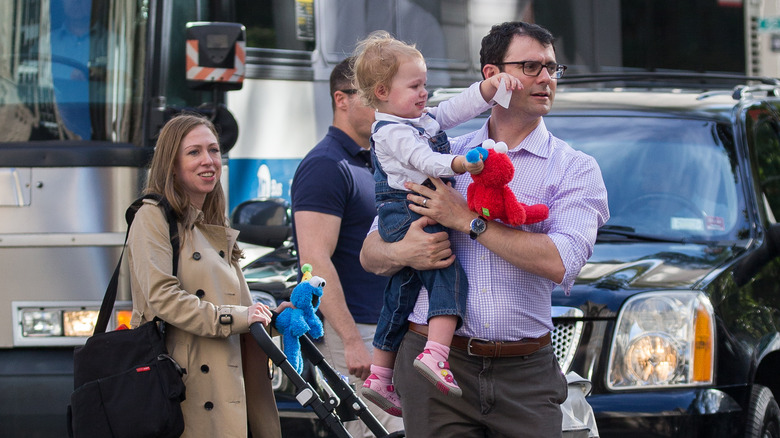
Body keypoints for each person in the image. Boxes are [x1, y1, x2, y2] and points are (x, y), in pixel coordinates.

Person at [360, 22, 610, 437]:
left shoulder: (575, 167)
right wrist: (405, 252)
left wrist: (467, 221)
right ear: (493, 77)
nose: (546, 78)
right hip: (432, 368)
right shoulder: (441, 152)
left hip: (526, 375)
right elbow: (371, 251)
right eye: (531, 66)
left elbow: (560, 261)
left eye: (552, 68)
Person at [351, 30, 521, 414]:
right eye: (414, 86)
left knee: (399, 295)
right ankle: (436, 354)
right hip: (406, 211)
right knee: (449, 276)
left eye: (424, 84)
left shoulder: (417, 119)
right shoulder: (393, 132)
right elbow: (425, 162)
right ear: (382, 92)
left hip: (407, 211)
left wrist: (487, 89)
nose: (424, 92)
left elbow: (454, 110)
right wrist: (460, 163)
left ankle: (379, 375)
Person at [127, 114, 283, 438]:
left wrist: (273, 317)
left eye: (213, 150)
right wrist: (235, 318)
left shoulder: (212, 224)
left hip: (230, 384)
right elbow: (162, 298)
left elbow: (241, 306)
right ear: (171, 164)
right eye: (194, 152)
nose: (208, 161)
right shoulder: (151, 216)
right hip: (183, 388)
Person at [290, 58, 404, 437]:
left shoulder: (377, 158)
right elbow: (314, 261)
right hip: (357, 333)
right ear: (342, 99)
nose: (384, 105)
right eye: (373, 96)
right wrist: (352, 342)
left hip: (389, 329)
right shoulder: (326, 165)